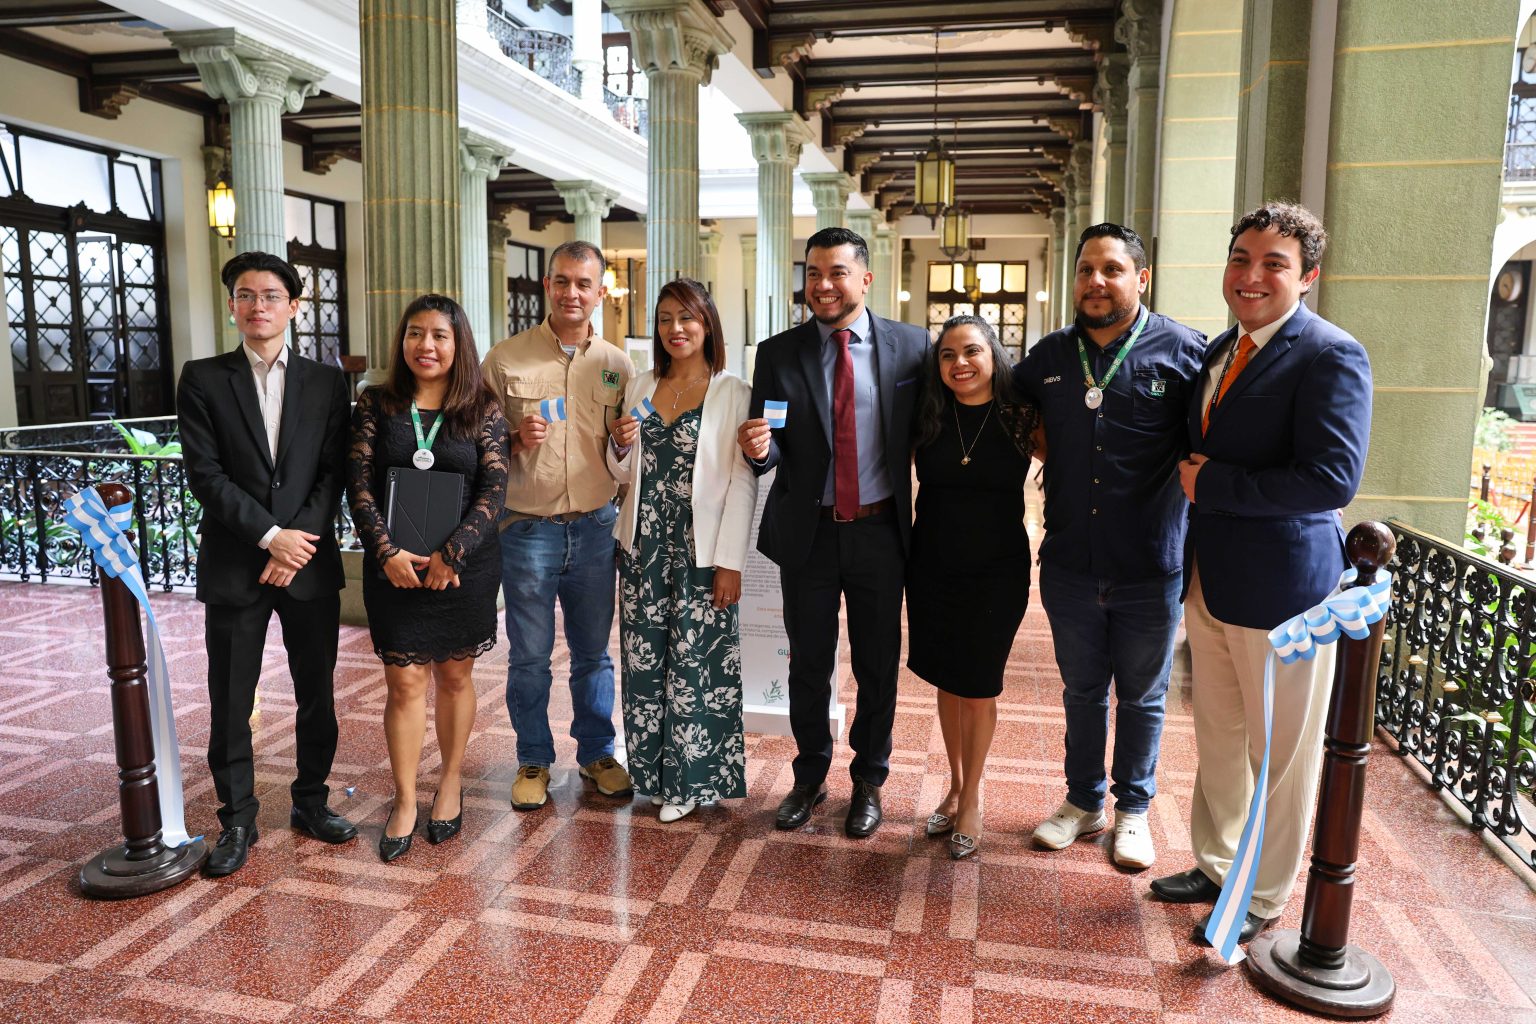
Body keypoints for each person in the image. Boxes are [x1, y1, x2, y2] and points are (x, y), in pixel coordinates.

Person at [1152, 202, 1372, 947]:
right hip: (1213, 579)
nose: (1252, 276)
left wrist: (1213, 485)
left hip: (1286, 592)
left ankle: (1264, 891)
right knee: (1219, 737)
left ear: (1308, 277)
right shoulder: (1223, 348)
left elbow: (1331, 479)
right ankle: (1218, 865)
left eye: (1274, 264)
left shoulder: (1331, 354)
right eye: (1241, 259)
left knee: (1279, 755)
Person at [1014, 223, 1205, 870]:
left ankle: (1133, 812)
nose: (1096, 281)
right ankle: (1083, 802)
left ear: (1141, 278)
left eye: (1112, 269)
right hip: (1069, 561)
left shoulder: (1184, 352)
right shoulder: (1048, 356)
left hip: (1150, 565)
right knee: (1082, 692)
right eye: (1086, 270)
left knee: (1143, 697)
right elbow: (1007, 412)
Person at [737, 226, 929, 839]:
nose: (823, 285)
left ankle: (869, 779)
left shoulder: (912, 347)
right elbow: (768, 445)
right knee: (808, 661)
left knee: (877, 663)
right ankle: (810, 775)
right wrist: (759, 451)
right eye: (814, 274)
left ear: (865, 279)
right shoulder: (778, 353)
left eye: (837, 273)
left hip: (879, 532)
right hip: (809, 535)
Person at [178, 251, 357, 877]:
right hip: (237, 563)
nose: (259, 306)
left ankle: (311, 801)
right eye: (247, 295)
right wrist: (270, 537)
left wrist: (295, 543)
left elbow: (333, 472)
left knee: (317, 694)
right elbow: (206, 475)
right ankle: (237, 820)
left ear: (294, 306)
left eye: (272, 295)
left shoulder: (327, 382)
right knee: (231, 699)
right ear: (232, 305)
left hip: (307, 564)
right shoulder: (203, 378)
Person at [347, 294, 509, 861]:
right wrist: (385, 551)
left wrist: (452, 555)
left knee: (455, 678)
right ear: (403, 342)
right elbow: (358, 483)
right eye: (416, 333)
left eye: (440, 335)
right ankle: (404, 798)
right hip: (393, 567)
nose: (426, 346)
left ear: (458, 343)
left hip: (463, 570)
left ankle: (450, 782)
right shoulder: (377, 403)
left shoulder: (482, 408)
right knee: (404, 683)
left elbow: (494, 489)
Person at [482, 240, 634, 811]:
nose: (573, 293)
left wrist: (625, 444)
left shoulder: (617, 365)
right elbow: (474, 443)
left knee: (594, 654)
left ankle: (597, 754)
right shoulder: (506, 359)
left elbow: (627, 456)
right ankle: (533, 758)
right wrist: (513, 438)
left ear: (599, 292)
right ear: (547, 286)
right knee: (530, 656)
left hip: (595, 527)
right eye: (563, 281)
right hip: (528, 530)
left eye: (584, 284)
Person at [606, 279, 757, 823]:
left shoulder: (733, 391)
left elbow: (743, 481)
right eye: (665, 318)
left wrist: (730, 562)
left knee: (697, 666)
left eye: (687, 317)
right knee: (645, 663)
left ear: (707, 323)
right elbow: (622, 473)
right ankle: (652, 775)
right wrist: (619, 444)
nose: (676, 328)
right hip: (643, 546)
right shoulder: (641, 383)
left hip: (702, 549)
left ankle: (691, 782)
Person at [907, 316, 1040, 860]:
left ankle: (973, 796)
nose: (959, 363)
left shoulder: (1021, 417)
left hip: (997, 570)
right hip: (932, 565)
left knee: (980, 685)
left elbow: (1076, 463)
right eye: (947, 355)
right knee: (947, 678)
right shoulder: (927, 416)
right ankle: (956, 783)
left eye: (971, 352)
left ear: (993, 356)